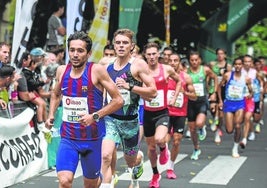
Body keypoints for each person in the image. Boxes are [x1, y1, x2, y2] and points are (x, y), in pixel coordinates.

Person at [45, 31, 124, 188]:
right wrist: (51, 115)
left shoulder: (96, 71)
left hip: (92, 139)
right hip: (69, 137)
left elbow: (118, 100)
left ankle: (101, 180)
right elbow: (55, 94)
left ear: (88, 53)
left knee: (90, 185)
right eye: (72, 50)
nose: (75, 54)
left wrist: (94, 116)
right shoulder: (62, 70)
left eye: (80, 51)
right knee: (65, 180)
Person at [101, 29, 157, 188]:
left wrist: (129, 86)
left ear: (132, 46)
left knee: (130, 160)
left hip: (130, 122)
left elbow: (153, 92)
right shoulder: (106, 64)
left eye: (125, 43)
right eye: (118, 42)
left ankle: (138, 160)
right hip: (110, 118)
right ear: (113, 44)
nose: (120, 46)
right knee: (105, 155)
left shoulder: (138, 65)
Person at [142, 42, 181, 188]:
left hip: (162, 113)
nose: (152, 57)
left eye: (154, 54)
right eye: (149, 54)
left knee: (160, 139)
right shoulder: (142, 70)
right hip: (147, 114)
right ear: (145, 56)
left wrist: (175, 97)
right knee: (151, 149)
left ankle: (164, 150)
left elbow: (178, 81)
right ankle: (155, 174)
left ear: (158, 54)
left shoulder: (166, 69)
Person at [166, 52, 197, 179]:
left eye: (175, 60)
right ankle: (164, 156)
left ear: (179, 62)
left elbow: (194, 97)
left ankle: (170, 167)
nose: (173, 63)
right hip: (165, 112)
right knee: (164, 140)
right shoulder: (164, 76)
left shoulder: (186, 77)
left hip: (180, 113)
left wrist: (184, 92)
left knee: (177, 141)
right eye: (170, 61)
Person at [218, 56, 253, 157]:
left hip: (240, 104)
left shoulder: (246, 78)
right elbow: (219, 87)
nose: (238, 66)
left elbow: (250, 90)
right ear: (233, 65)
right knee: (229, 130)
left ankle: (235, 147)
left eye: (239, 64)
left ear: (242, 65)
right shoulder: (228, 76)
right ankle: (234, 136)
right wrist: (220, 100)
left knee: (238, 125)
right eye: (236, 64)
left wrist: (250, 94)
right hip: (228, 103)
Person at [187, 50, 218, 160]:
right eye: (192, 60)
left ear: (199, 60)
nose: (194, 62)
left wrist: (213, 92)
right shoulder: (186, 71)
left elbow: (215, 77)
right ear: (189, 61)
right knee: (191, 129)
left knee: (199, 123)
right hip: (190, 102)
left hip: (202, 100)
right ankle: (196, 148)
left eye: (196, 60)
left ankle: (201, 127)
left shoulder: (205, 70)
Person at [208, 48, 232, 144]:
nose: (220, 56)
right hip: (213, 89)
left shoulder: (228, 66)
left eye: (222, 54)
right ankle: (214, 118)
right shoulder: (212, 65)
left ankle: (218, 130)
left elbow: (230, 79)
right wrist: (209, 88)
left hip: (223, 90)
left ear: (225, 55)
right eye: (218, 54)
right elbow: (208, 77)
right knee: (212, 108)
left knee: (221, 113)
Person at [239, 54, 257, 147]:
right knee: (240, 120)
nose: (247, 63)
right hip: (239, 99)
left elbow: (258, 84)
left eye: (249, 61)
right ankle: (248, 132)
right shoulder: (238, 71)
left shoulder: (254, 72)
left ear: (252, 63)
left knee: (247, 118)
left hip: (250, 99)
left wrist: (254, 93)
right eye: (245, 61)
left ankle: (244, 139)